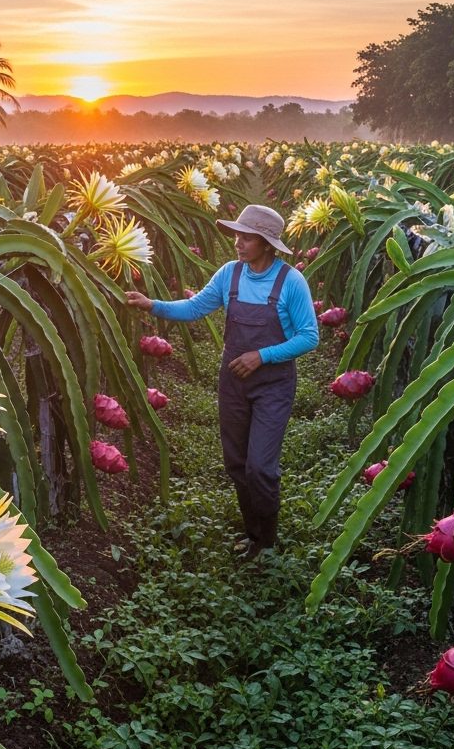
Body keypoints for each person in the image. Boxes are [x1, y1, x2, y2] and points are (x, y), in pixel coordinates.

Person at [125, 204, 318, 558]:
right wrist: (151, 304)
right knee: (236, 463)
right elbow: (195, 308)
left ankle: (268, 540)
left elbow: (310, 336)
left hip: (273, 385)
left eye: (246, 237)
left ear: (266, 243)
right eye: (237, 235)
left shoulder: (291, 281)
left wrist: (262, 355)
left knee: (260, 466)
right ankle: (253, 533)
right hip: (233, 383)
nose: (237, 243)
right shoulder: (230, 274)